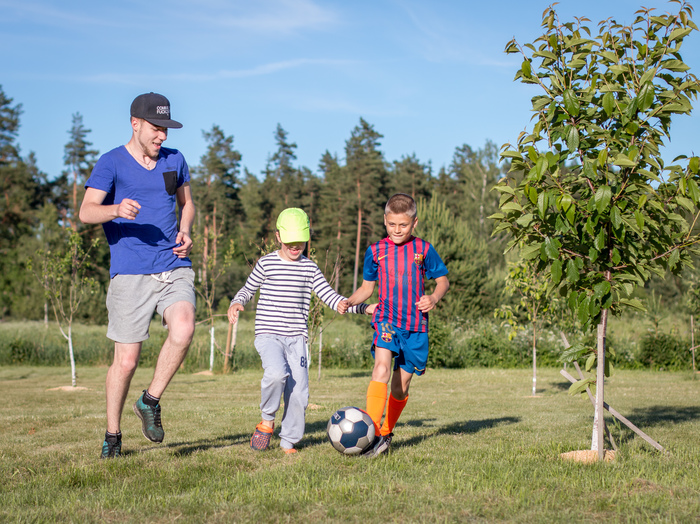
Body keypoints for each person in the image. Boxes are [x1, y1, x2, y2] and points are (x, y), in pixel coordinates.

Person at [79, 92, 196, 459]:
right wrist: (115, 209)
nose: (162, 136)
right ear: (135, 123)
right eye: (155, 128)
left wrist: (187, 230)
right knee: (126, 361)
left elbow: (187, 203)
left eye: (166, 129)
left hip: (172, 264)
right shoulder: (111, 162)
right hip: (130, 272)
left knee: (184, 327)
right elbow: (86, 211)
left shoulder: (174, 160)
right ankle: (112, 435)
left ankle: (150, 401)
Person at [228, 208, 372, 454]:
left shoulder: (310, 268)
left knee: (299, 391)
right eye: (290, 241)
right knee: (276, 374)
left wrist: (362, 308)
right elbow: (248, 288)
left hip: (297, 338)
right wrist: (236, 301)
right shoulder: (266, 263)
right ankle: (266, 420)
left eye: (301, 241)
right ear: (278, 237)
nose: (296, 246)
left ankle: (288, 441)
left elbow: (332, 298)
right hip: (269, 333)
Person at [346, 193, 449, 457]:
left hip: (415, 327)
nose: (397, 230)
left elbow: (443, 281)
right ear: (385, 221)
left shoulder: (424, 249)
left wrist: (434, 297)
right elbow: (367, 288)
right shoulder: (375, 251)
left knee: (400, 387)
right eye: (391, 225)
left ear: (414, 223)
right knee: (380, 368)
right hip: (386, 320)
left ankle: (385, 432)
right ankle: (368, 432)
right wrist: (350, 300)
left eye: (403, 225)